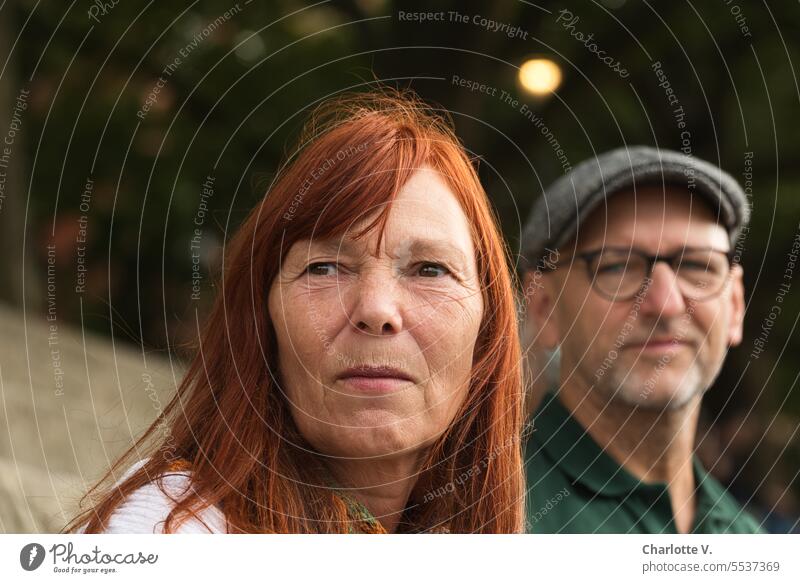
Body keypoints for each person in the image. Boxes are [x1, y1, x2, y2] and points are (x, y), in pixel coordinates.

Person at [65, 89, 525, 534]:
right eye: (324, 267)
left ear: (487, 332)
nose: (377, 309)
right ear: (263, 320)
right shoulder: (169, 532)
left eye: (429, 269)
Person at [520, 146, 763, 533]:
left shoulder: (749, 540)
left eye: (698, 265)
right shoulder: (487, 513)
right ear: (544, 308)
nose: (665, 303)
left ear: (735, 305)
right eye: (616, 266)